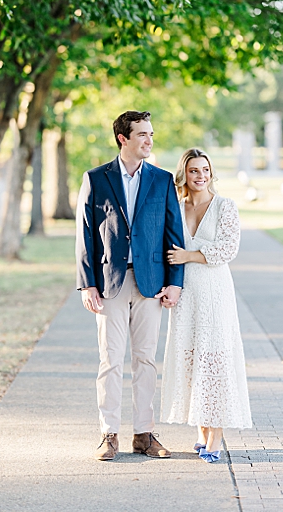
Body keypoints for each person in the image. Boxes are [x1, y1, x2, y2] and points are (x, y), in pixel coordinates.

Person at [75, 110, 185, 461]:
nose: (149, 141)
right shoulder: (96, 179)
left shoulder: (162, 180)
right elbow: (85, 236)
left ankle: (144, 434)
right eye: (142, 135)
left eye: (151, 134)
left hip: (151, 283)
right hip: (110, 284)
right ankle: (108, 435)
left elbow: (174, 234)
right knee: (110, 360)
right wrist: (87, 285)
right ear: (123, 138)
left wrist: (175, 283)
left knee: (146, 360)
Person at [161, 148, 252, 463]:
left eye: (205, 170)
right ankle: (200, 429)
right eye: (193, 171)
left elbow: (229, 248)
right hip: (186, 293)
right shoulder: (176, 206)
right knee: (190, 358)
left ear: (212, 173)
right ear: (184, 174)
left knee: (214, 360)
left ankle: (216, 435)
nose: (200, 176)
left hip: (214, 290)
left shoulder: (225, 206)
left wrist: (189, 256)